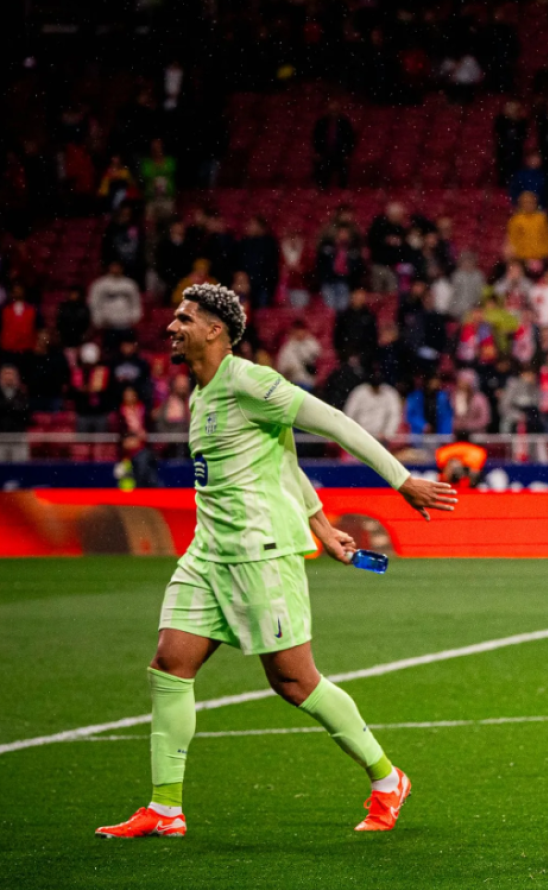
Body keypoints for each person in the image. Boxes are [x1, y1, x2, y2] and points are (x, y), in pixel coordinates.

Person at [96, 283, 457, 840]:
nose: (171, 327)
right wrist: (321, 523)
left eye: (183, 318)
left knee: (294, 682)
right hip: (208, 553)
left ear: (214, 330)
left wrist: (402, 480)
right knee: (170, 665)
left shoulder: (251, 381)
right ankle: (165, 808)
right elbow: (282, 457)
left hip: (260, 552)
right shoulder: (200, 393)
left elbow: (334, 421)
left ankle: (388, 780)